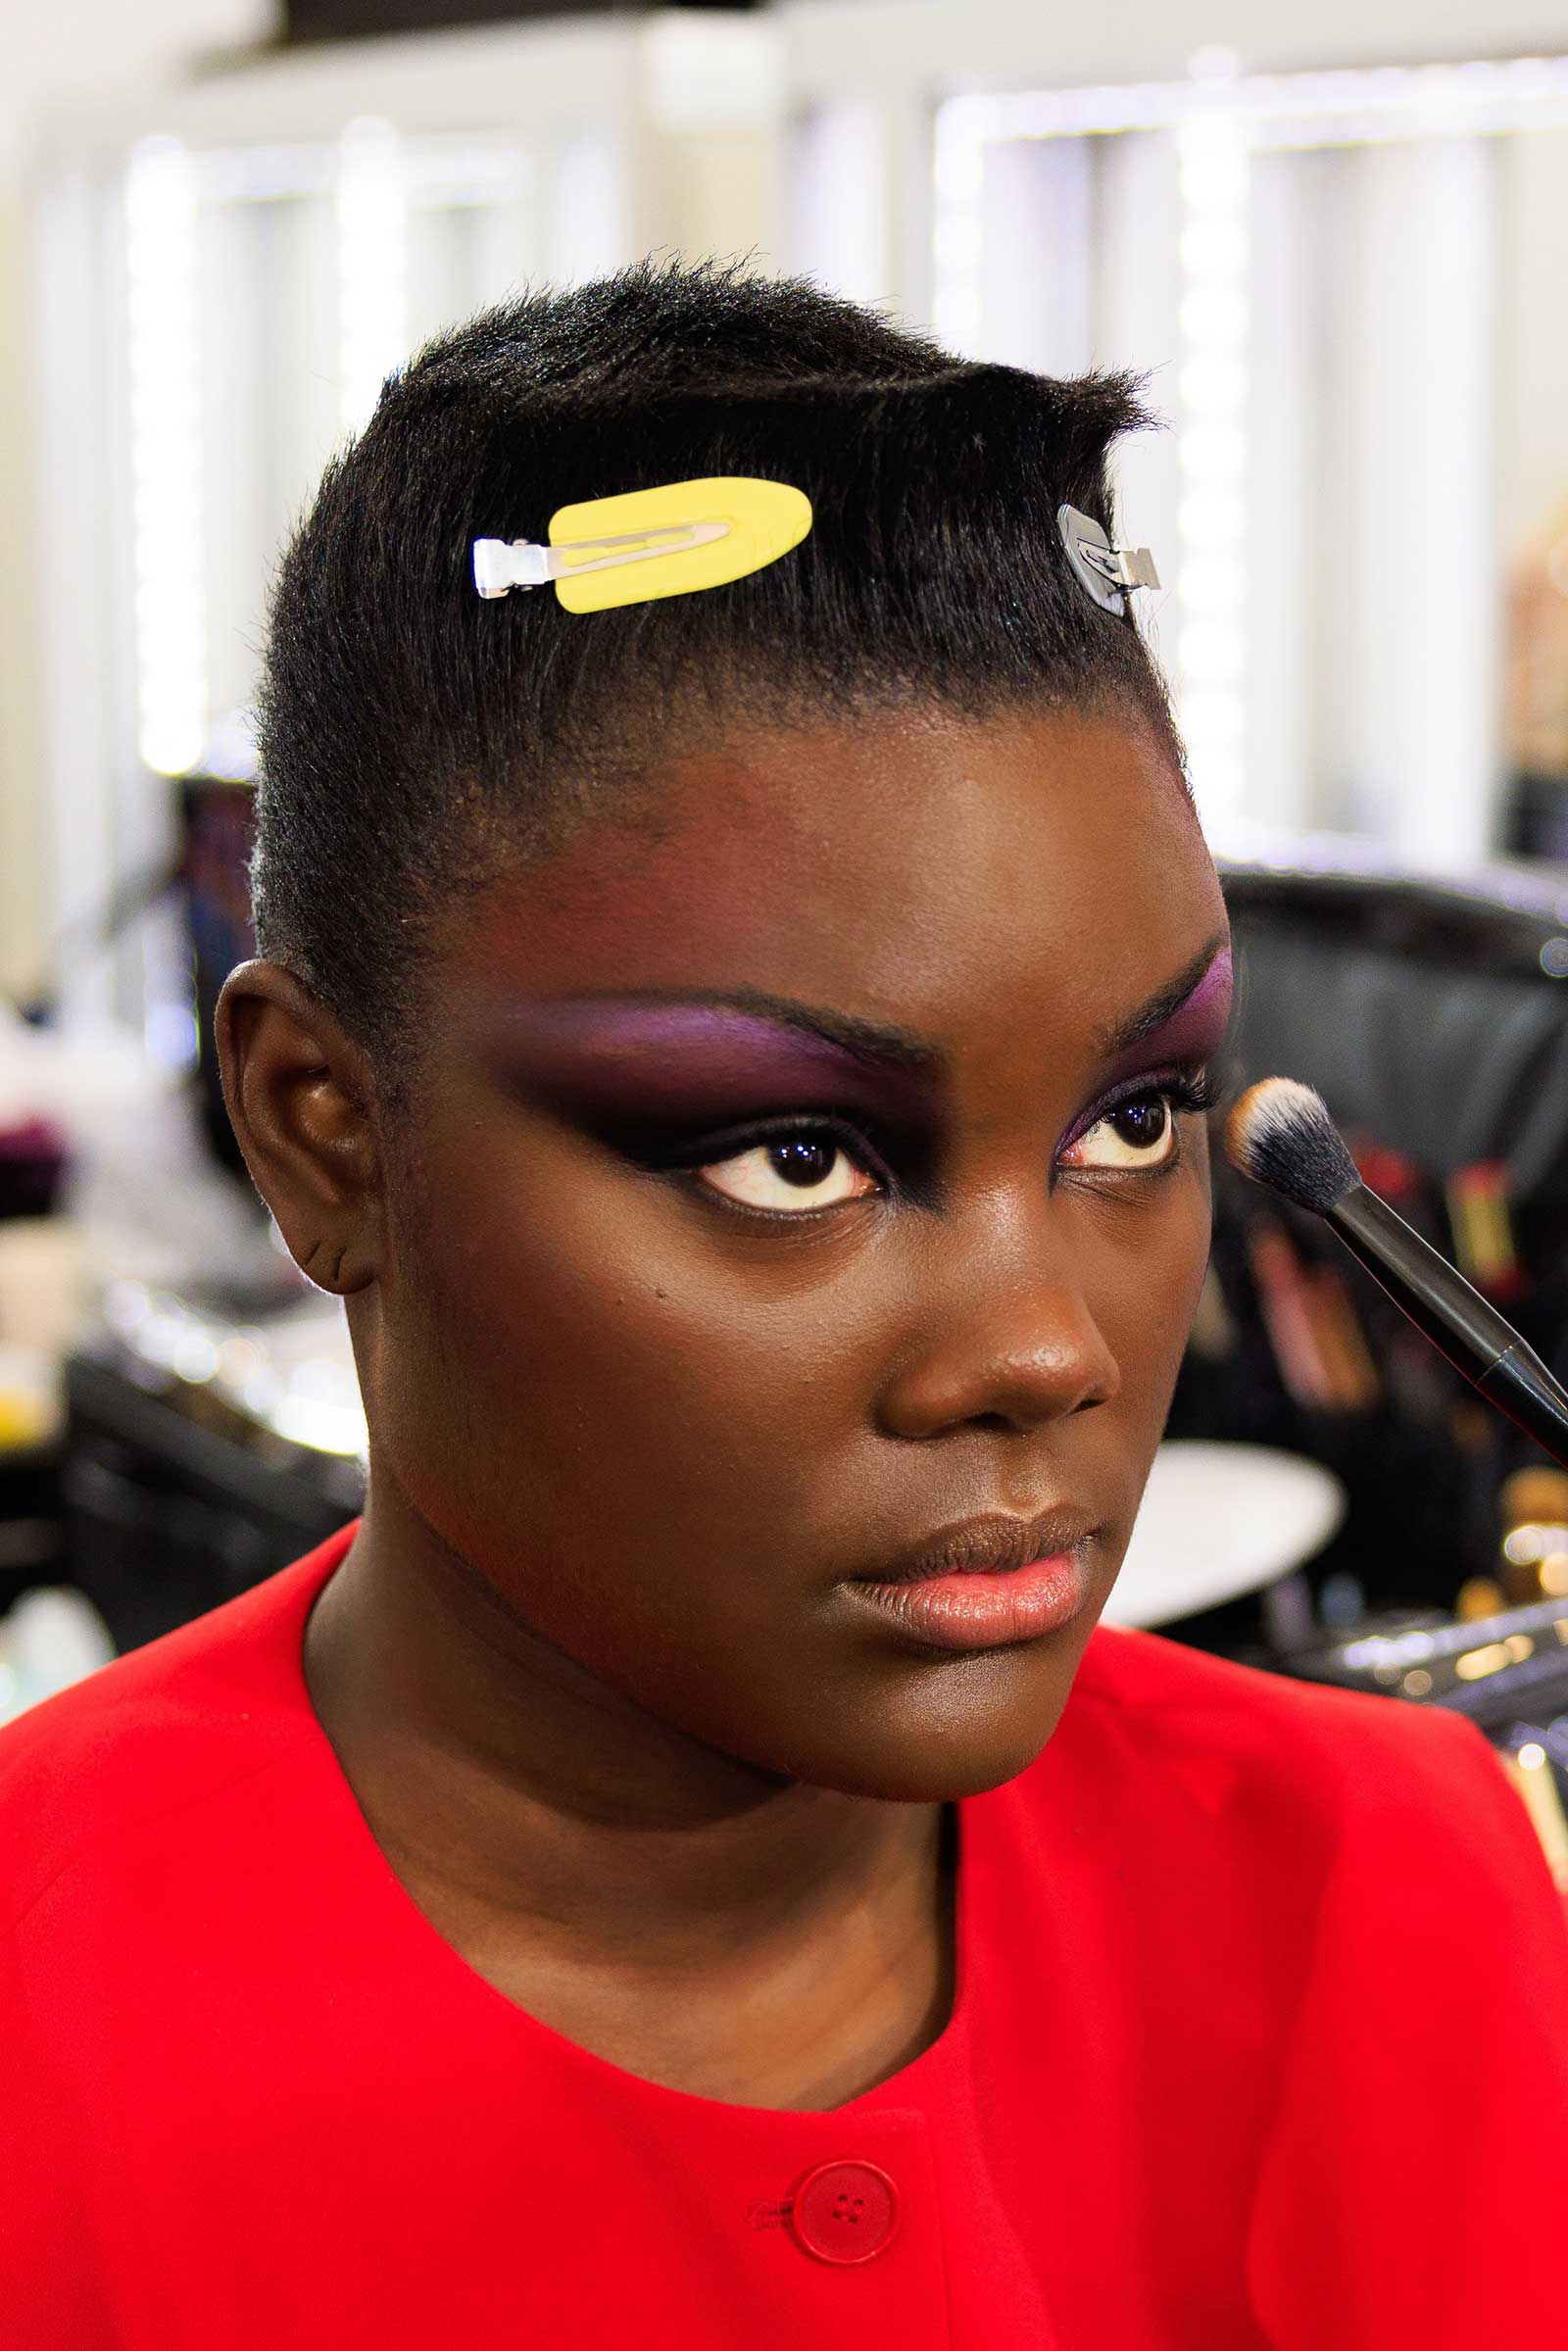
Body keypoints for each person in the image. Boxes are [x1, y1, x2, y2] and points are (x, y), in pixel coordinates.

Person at [5, 262, 1566, 2350]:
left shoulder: (1389, 1880)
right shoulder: (43, 2043)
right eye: (795, 1158)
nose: (1044, 1350)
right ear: (324, 1134)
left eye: (1130, 1119)